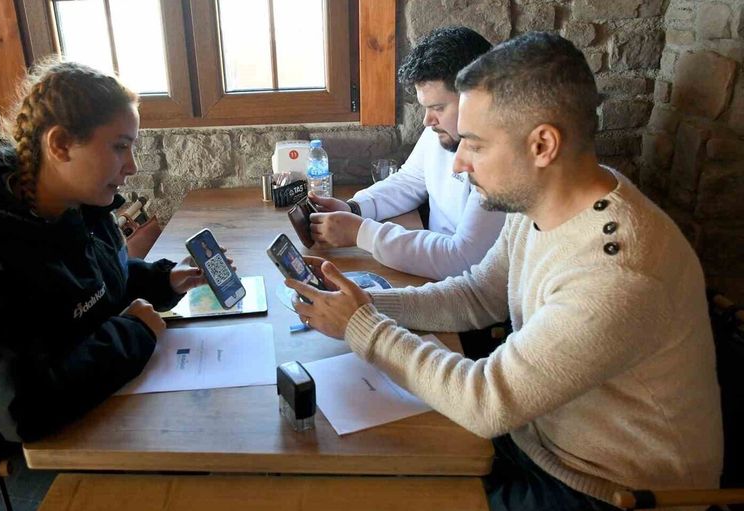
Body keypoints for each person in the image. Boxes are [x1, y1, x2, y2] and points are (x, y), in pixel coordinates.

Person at [286, 32, 723, 511]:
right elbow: (478, 294)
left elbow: (485, 402)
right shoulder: (540, 203)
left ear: (542, 145)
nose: (458, 164)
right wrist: (364, 303)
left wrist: (361, 325)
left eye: (474, 145)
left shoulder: (617, 274)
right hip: (536, 437)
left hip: (603, 489)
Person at [0, 60, 215, 511]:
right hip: (0, 460)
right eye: (120, 147)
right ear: (60, 144)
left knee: (199, 452)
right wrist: (133, 333)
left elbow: (96, 287)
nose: (132, 166)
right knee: (174, 494)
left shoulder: (78, 208)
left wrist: (162, 279)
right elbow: (25, 412)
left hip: (82, 412)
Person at [307, 26, 505, 280]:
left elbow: (463, 259)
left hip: (460, 284)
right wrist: (354, 208)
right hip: (432, 275)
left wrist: (361, 233)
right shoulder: (443, 129)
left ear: (478, 98)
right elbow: (410, 180)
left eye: (438, 108)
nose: (427, 121)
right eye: (426, 107)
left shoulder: (501, 160)